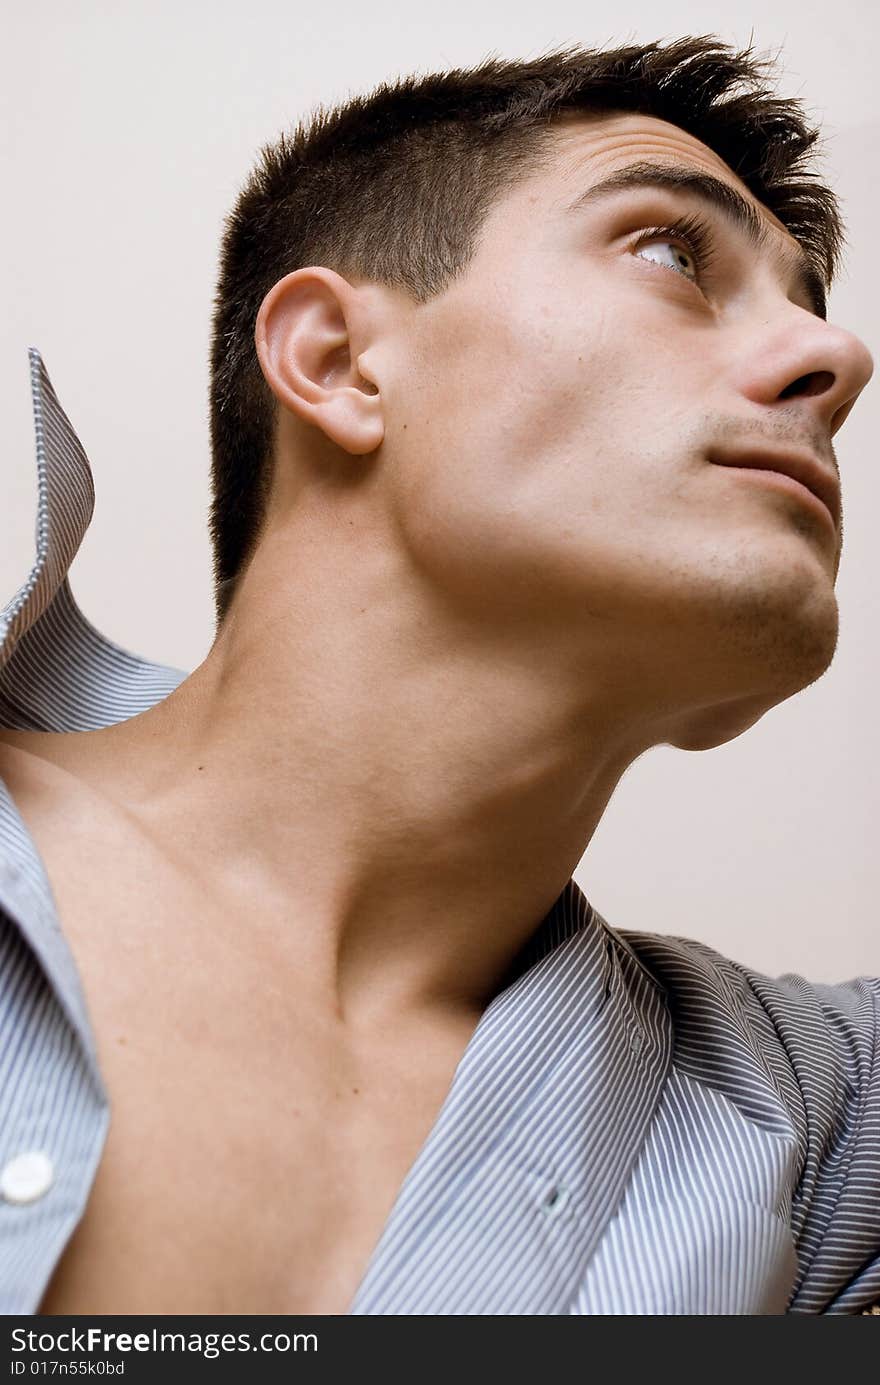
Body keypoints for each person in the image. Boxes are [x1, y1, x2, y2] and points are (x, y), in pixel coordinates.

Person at [0, 34, 877, 1317]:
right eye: (673, 253)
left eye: (807, 304)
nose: (833, 360)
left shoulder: (814, 1124)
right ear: (340, 361)